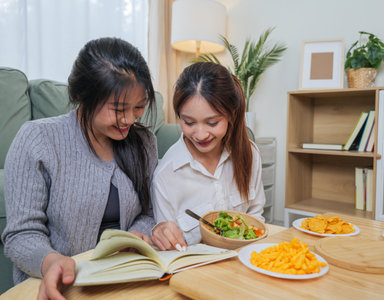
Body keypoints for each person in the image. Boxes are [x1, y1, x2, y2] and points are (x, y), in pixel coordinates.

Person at [1, 37, 158, 299]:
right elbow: (21, 234)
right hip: (55, 284)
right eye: (119, 109)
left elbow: (150, 213)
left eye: (139, 107)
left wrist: (134, 237)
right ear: (84, 96)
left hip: (125, 281)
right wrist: (51, 261)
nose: (130, 119)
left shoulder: (144, 142)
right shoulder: (37, 139)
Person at [150, 62, 265, 250]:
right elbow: (170, 249)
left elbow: (256, 217)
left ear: (231, 115)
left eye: (212, 123)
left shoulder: (250, 153)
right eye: (188, 122)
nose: (201, 134)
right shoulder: (166, 175)